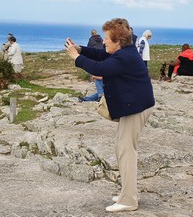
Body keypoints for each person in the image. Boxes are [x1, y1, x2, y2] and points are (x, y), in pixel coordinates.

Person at [65, 18, 154, 213]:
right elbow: (100, 55)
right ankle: (127, 194)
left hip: (136, 108)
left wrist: (76, 58)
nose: (104, 41)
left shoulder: (124, 57)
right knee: (122, 149)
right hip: (135, 106)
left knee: (126, 151)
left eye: (107, 38)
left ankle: (129, 200)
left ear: (118, 41)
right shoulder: (123, 52)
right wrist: (80, 49)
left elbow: (100, 68)